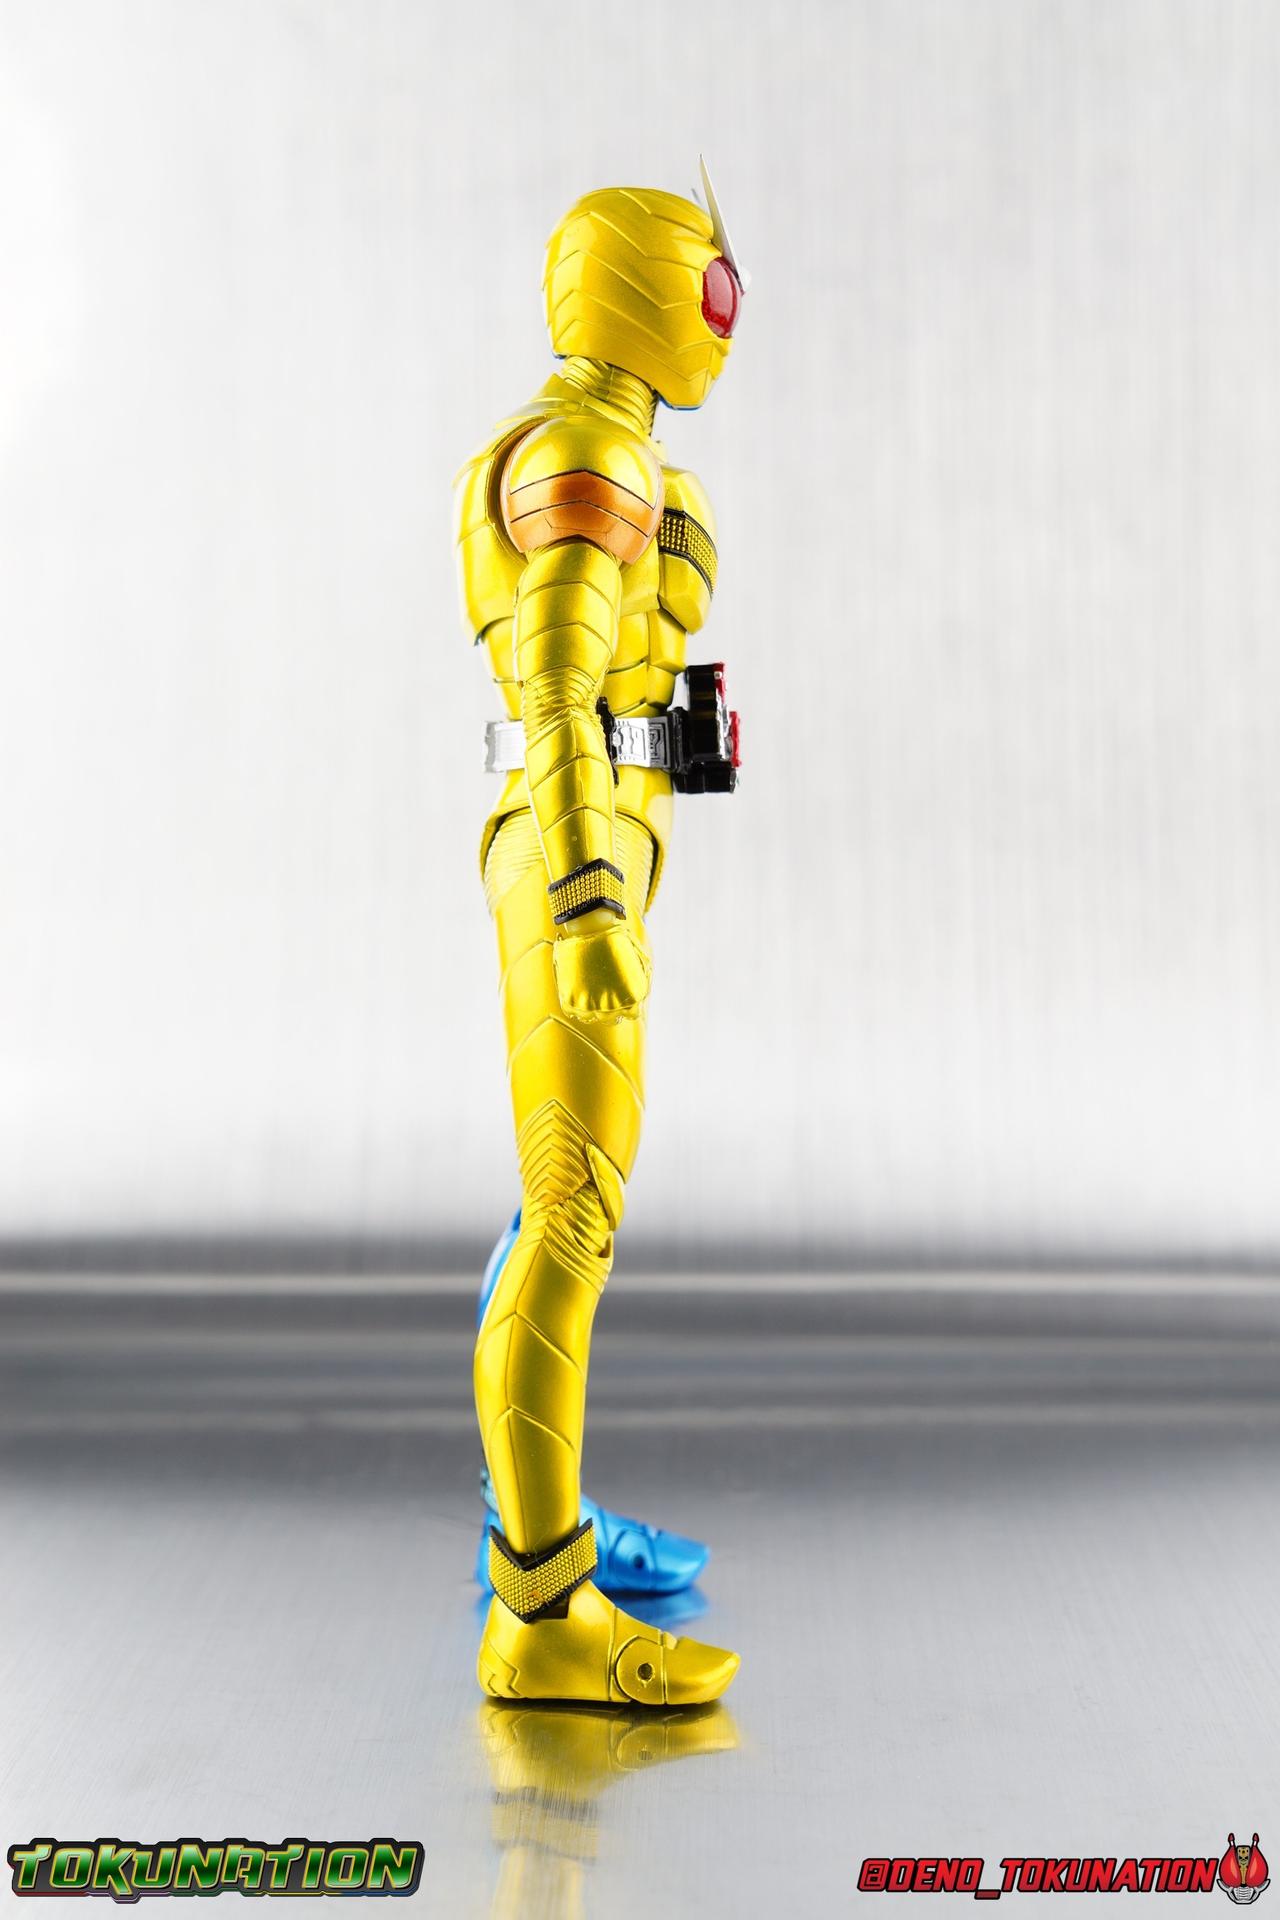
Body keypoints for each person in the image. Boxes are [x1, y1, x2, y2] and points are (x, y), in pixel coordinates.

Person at [453, 173, 745, 1704]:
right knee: (573, 1212)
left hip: (609, 839)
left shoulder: (615, 452)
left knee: (547, 1200)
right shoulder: (582, 455)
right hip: (576, 854)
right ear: (647, 291)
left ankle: (533, 1508)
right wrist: (582, 900)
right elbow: (560, 692)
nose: (725, 319)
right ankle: (541, 1609)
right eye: (711, 286)